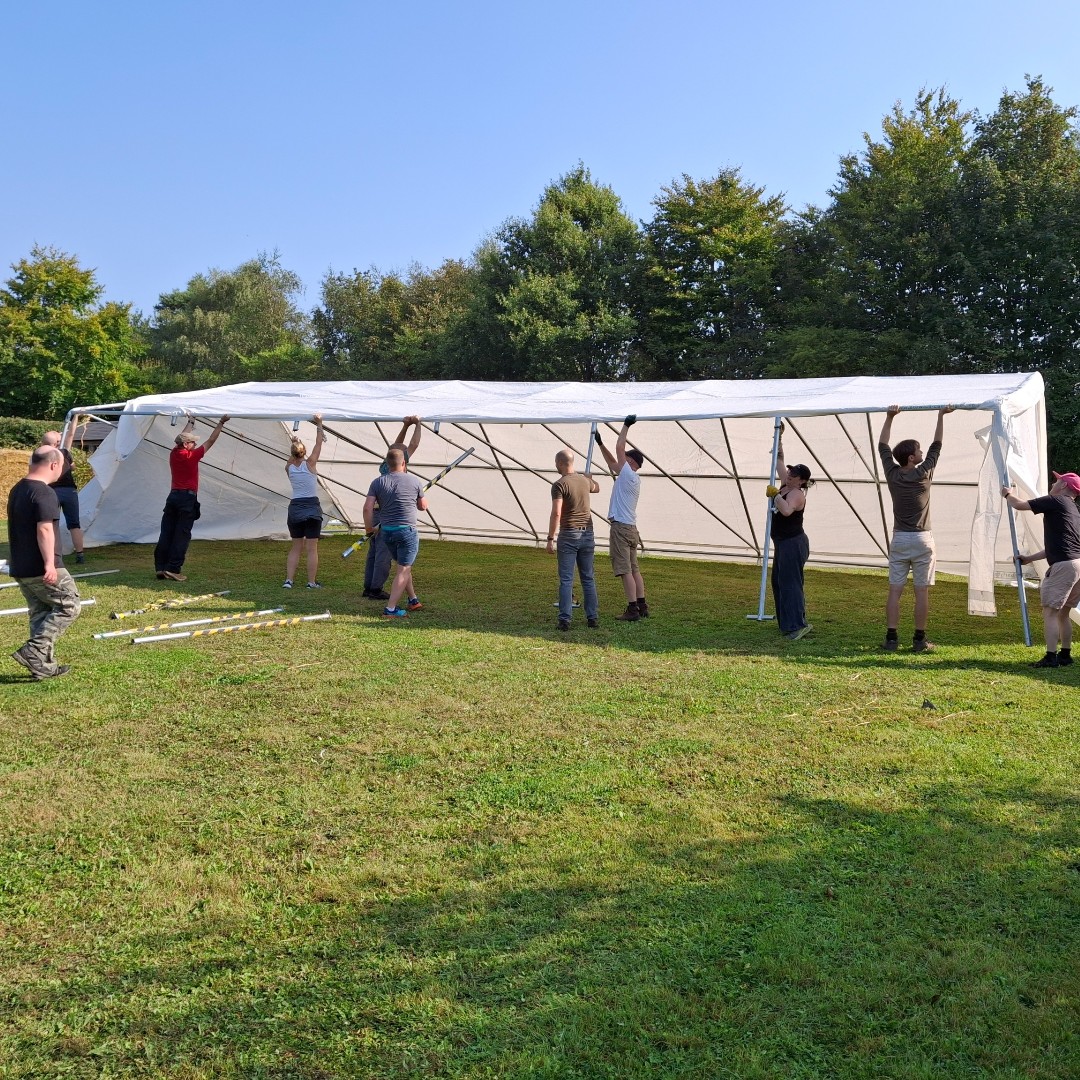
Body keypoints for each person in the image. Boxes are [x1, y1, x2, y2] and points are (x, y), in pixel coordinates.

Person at [878, 404, 954, 652]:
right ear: (912, 457)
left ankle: (891, 639)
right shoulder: (924, 472)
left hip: (899, 539)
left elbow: (883, 446)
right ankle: (919, 640)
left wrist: (889, 418)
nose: (922, 452)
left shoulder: (893, 473)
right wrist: (941, 415)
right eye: (917, 450)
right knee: (921, 592)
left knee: (894, 590)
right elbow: (937, 445)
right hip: (923, 540)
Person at [7, 446, 80, 680]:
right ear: (53, 465)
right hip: (42, 566)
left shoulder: (19, 489)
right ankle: (34, 650)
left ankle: (43, 667)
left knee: (40, 613)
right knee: (69, 605)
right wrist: (50, 564)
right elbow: (45, 529)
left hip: (21, 565)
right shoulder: (44, 492)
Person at [1002, 471, 1080, 668]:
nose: (1054, 483)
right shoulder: (1073, 509)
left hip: (1064, 566)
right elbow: (1059, 546)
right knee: (1063, 613)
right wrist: (1029, 559)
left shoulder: (1055, 501)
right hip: (1077, 564)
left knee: (1051, 612)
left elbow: (1019, 505)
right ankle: (1065, 655)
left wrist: (1007, 493)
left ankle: (1051, 657)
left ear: (1064, 486)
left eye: (1057, 480)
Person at [154, 413, 230, 582]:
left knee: (166, 532)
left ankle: (161, 566)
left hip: (172, 497)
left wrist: (191, 421)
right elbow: (211, 440)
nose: (195, 444)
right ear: (186, 445)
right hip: (187, 499)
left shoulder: (174, 453)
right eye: (192, 442)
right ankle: (173, 569)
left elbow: (180, 437)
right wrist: (221, 423)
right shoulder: (191, 456)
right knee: (182, 534)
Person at [595, 414, 649, 621]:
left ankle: (632, 609)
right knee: (634, 569)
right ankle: (642, 605)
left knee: (624, 570)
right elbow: (612, 462)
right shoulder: (632, 477)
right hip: (632, 529)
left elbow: (619, 447)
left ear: (630, 462)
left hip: (621, 528)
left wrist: (626, 426)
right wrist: (600, 443)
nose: (621, 459)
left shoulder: (627, 474)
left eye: (625, 458)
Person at [363, 446, 428, 618]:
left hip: (387, 532)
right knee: (404, 569)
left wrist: (369, 528)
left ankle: (413, 599)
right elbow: (422, 507)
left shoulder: (377, 482)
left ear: (387, 464)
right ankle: (390, 609)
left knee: (403, 565)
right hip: (407, 531)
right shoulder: (414, 481)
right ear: (404, 463)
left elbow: (367, 508)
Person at [767, 425, 814, 640]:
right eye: (790, 472)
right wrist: (779, 437)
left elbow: (786, 511)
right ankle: (786, 622)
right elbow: (778, 461)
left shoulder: (796, 494)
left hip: (793, 543)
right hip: (782, 542)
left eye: (794, 475)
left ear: (802, 481)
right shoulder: (786, 484)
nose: (790, 475)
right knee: (778, 581)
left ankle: (798, 625)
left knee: (790, 583)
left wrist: (775, 495)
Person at [547, 448, 600, 631]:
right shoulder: (585, 482)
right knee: (588, 578)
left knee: (566, 579)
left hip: (569, 534)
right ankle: (592, 617)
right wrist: (589, 478)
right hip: (588, 534)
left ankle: (565, 619)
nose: (555, 466)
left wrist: (550, 538)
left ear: (561, 463)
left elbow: (556, 513)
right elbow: (597, 488)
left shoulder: (559, 485)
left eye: (556, 463)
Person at [284, 414, 326, 589]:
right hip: (311, 507)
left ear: (292, 453)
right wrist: (319, 423)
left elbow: (292, 458)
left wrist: (294, 443)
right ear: (304, 451)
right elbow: (318, 443)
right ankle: (311, 582)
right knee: (311, 549)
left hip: (295, 507)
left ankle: (289, 580)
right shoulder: (311, 463)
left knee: (296, 547)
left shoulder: (289, 468)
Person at [40, 419, 86, 563]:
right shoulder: (64, 453)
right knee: (74, 524)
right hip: (69, 491)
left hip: (52, 491)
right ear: (56, 443)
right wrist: (76, 417)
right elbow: (71, 434)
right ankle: (80, 555)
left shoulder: (41, 455)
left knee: (51, 523)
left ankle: (54, 555)